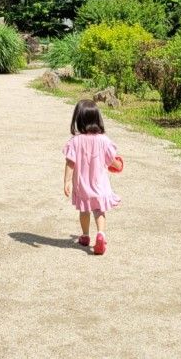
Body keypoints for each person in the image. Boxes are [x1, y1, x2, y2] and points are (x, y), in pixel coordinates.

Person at [63, 99, 121, 255]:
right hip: (100, 186)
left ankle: (85, 235)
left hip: (82, 186)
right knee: (99, 211)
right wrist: (118, 165)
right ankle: (101, 234)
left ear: (78, 119)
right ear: (98, 119)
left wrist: (67, 182)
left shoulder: (75, 142)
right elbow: (112, 160)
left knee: (84, 211)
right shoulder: (103, 140)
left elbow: (70, 163)